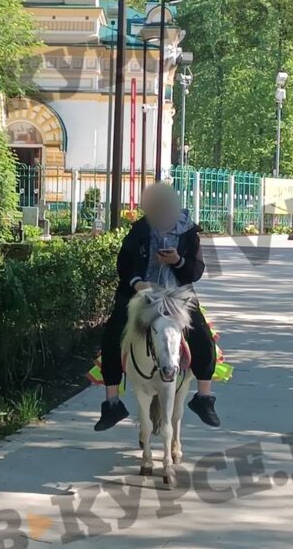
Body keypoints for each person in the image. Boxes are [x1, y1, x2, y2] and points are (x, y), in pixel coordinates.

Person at [94, 182, 221, 431]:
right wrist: (137, 282)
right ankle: (112, 403)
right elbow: (124, 264)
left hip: (177, 294)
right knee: (112, 334)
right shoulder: (140, 230)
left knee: (203, 336)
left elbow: (195, 271)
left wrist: (178, 260)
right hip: (141, 293)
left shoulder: (188, 233)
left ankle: (204, 398)